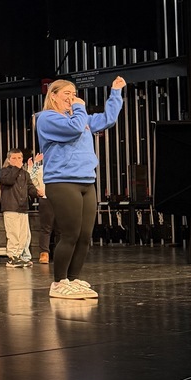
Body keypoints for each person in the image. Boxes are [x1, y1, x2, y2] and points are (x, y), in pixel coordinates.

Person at [37, 76, 125, 300]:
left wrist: (115, 93)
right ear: (53, 96)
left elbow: (108, 119)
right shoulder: (46, 118)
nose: (72, 97)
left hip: (86, 180)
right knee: (70, 234)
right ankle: (59, 282)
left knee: (85, 235)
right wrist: (79, 108)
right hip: (62, 181)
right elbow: (75, 128)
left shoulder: (79, 117)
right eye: (66, 93)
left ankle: (73, 279)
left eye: (74, 93)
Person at [0, 148, 38, 268]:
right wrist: (16, 168)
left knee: (23, 235)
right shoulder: (4, 172)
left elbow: (30, 188)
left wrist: (38, 192)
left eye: (19, 158)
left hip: (23, 208)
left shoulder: (25, 174)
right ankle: (12, 257)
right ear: (9, 160)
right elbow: (9, 181)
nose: (17, 160)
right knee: (13, 233)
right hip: (11, 208)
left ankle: (19, 255)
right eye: (14, 158)